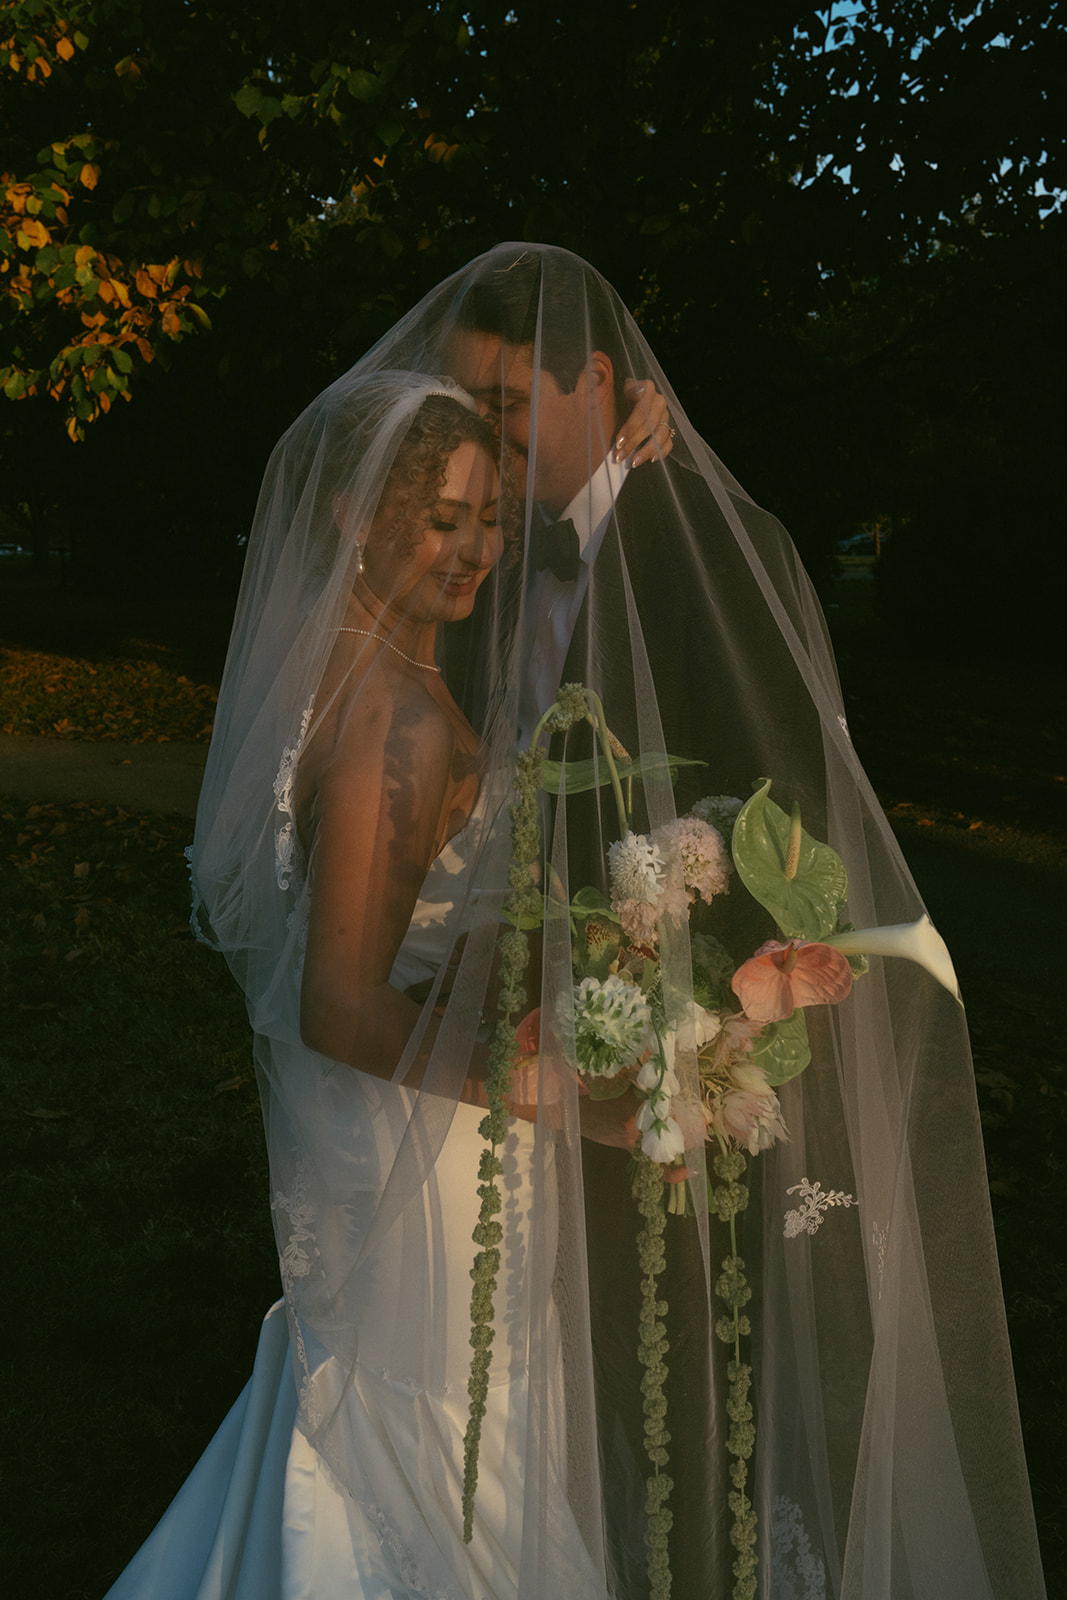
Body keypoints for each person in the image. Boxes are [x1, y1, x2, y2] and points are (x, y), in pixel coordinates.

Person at [107, 245, 1045, 1600]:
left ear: (598, 383)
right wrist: (578, 1079)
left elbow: (770, 813)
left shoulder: (701, 552)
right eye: (453, 485)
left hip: (604, 1061)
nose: (479, 509)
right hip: (474, 1103)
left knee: (584, 1415)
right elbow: (403, 914)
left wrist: (697, 1034)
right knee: (461, 1425)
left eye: (504, 422)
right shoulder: (426, 658)